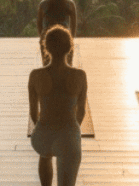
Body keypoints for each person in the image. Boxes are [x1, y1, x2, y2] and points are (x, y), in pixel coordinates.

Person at [29, 26, 87, 186]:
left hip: (42, 138)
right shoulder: (80, 76)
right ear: (70, 48)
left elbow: (34, 114)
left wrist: (44, 129)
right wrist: (71, 132)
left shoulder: (35, 75)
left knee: (45, 153)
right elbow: (81, 112)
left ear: (45, 47)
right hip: (68, 137)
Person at [37, 0, 77, 64]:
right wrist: (71, 39)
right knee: (67, 66)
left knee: (47, 67)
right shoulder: (70, 4)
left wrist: (43, 39)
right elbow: (73, 26)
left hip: (48, 38)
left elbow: (39, 25)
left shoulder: (43, 5)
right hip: (64, 38)